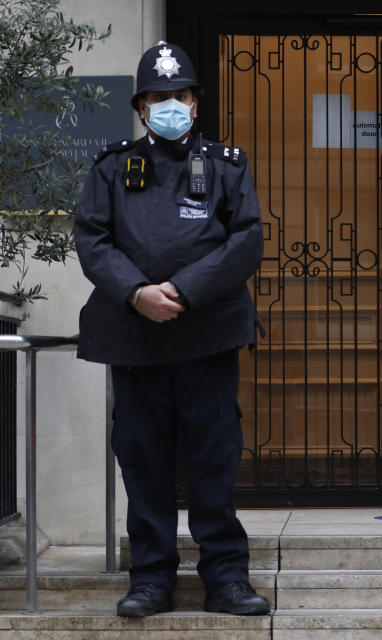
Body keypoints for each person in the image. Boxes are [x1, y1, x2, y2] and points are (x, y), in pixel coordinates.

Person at [74, 41, 269, 617]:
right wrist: (138, 292)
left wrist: (181, 292)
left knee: (213, 456)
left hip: (205, 333)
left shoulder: (228, 164)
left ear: (195, 102)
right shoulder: (111, 166)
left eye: (178, 95)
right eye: (157, 97)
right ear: (140, 107)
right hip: (134, 337)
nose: (169, 105)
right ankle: (152, 578)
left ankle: (227, 578)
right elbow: (92, 237)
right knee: (142, 457)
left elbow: (247, 239)